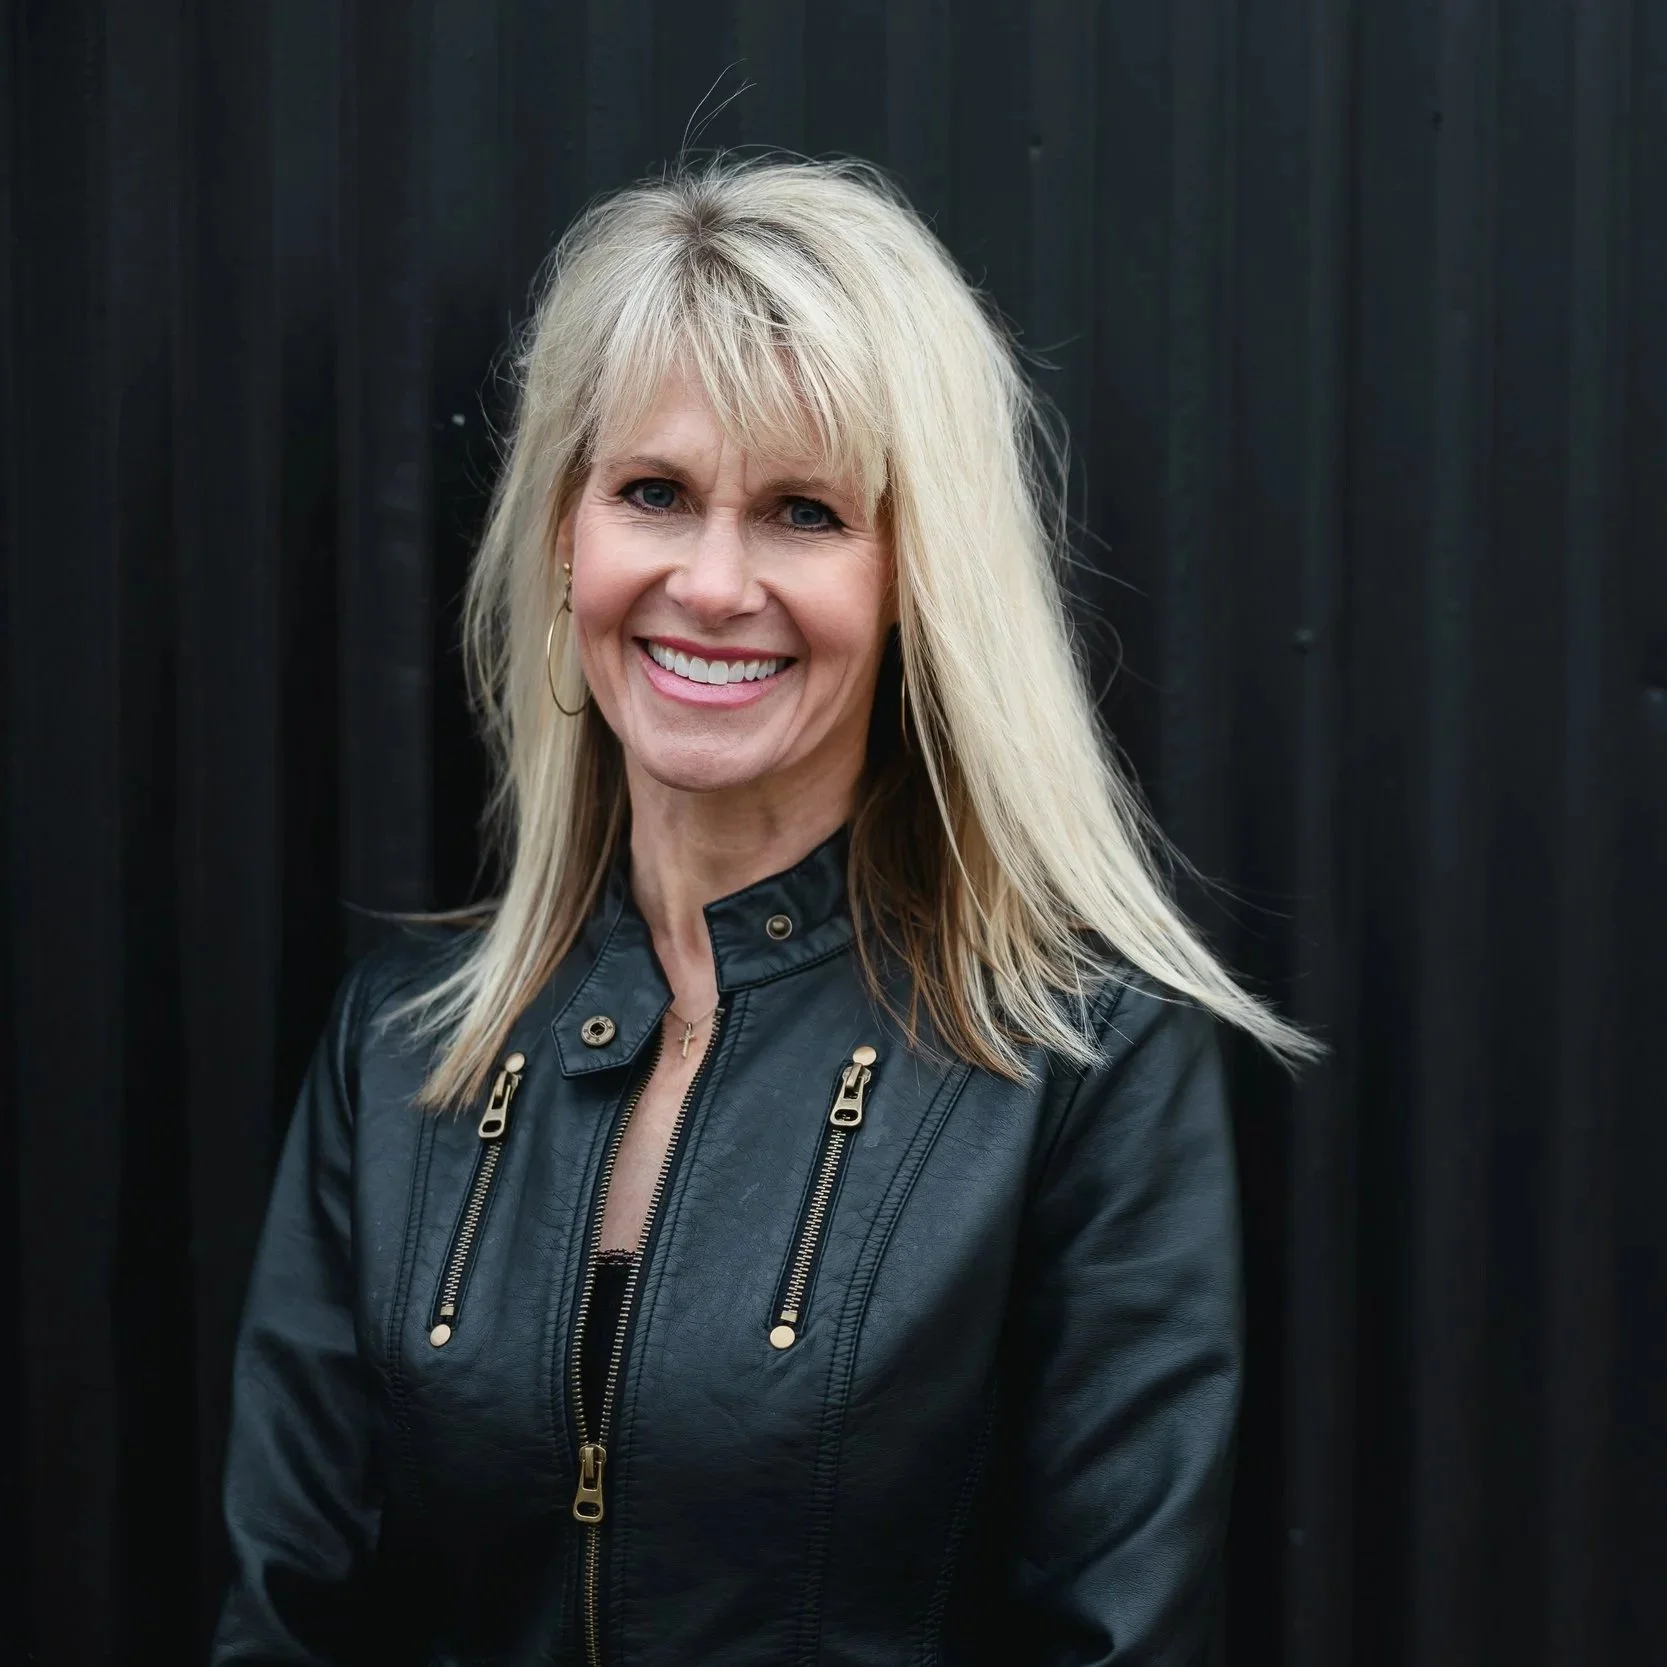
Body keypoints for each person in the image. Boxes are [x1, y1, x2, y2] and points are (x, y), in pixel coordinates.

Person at [213, 155, 1316, 1667]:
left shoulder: (1082, 1068)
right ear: (564, 531)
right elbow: (287, 1616)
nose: (711, 581)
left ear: (915, 578)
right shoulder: (404, 1050)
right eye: (654, 493)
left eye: (802, 511)